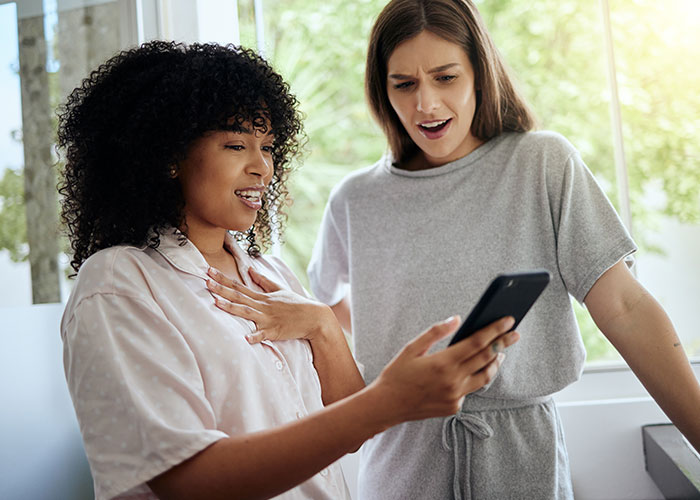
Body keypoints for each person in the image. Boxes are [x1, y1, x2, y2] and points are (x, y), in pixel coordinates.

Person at [57, 41, 520, 500]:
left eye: (268, 147)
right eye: (236, 145)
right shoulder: (119, 283)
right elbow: (188, 481)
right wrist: (389, 401)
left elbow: (349, 427)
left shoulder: (270, 272)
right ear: (168, 157)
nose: (262, 167)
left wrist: (322, 325)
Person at [306, 0, 700, 499]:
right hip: (399, 467)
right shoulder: (354, 200)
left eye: (445, 77)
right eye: (403, 84)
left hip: (521, 461)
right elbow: (327, 311)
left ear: (479, 73)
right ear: (382, 91)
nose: (425, 104)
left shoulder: (543, 164)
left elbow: (624, 307)